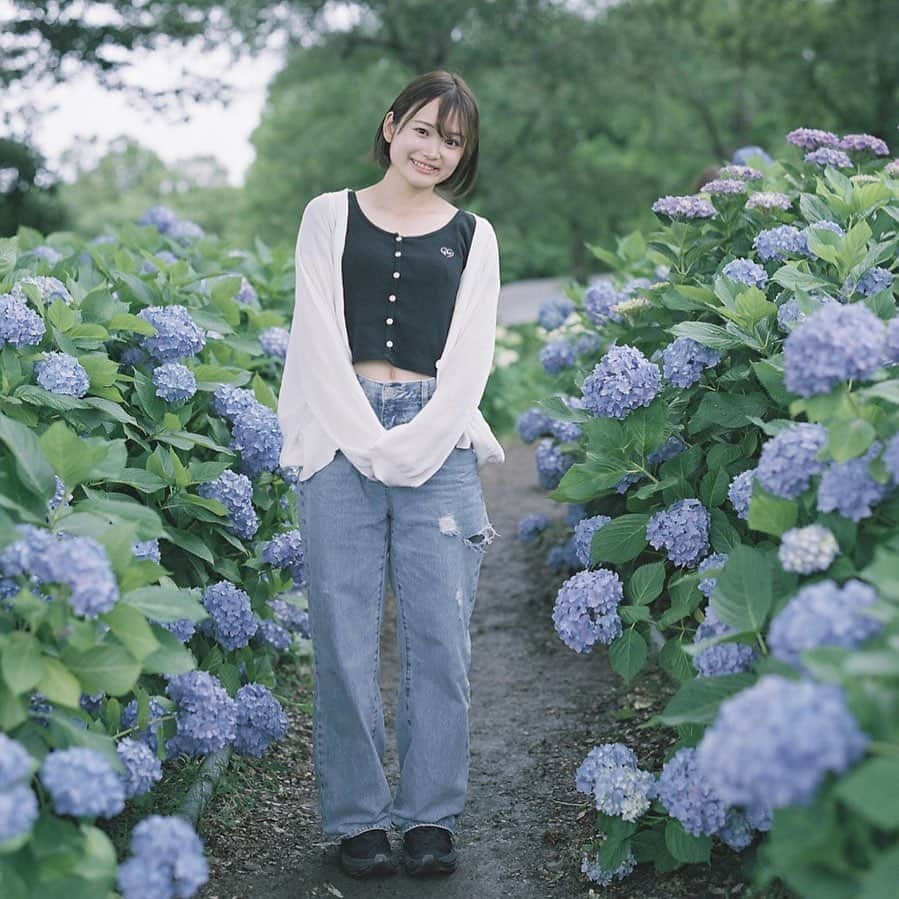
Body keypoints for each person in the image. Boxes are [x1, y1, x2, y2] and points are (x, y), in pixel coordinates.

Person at [276, 70, 506, 879]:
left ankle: (430, 815)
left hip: (438, 439)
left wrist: (419, 442)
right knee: (341, 636)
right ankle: (358, 819)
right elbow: (315, 338)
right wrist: (368, 442)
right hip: (338, 438)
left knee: (439, 638)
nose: (433, 150)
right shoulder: (327, 216)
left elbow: (470, 359)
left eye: (452, 141)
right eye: (422, 130)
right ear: (389, 125)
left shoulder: (473, 236)